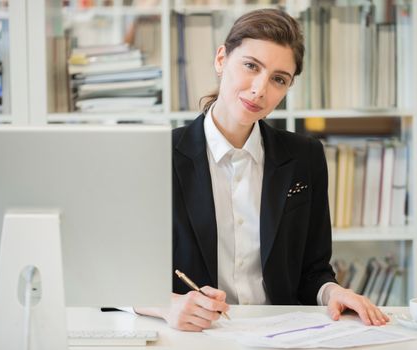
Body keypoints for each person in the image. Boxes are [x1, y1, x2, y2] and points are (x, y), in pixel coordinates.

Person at [135, 8, 389, 331]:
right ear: (221, 59)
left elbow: (314, 271)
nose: (259, 89)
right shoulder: (158, 155)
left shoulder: (305, 157)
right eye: (251, 66)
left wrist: (333, 292)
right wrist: (167, 305)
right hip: (198, 336)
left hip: (282, 334)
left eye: (278, 79)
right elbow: (115, 273)